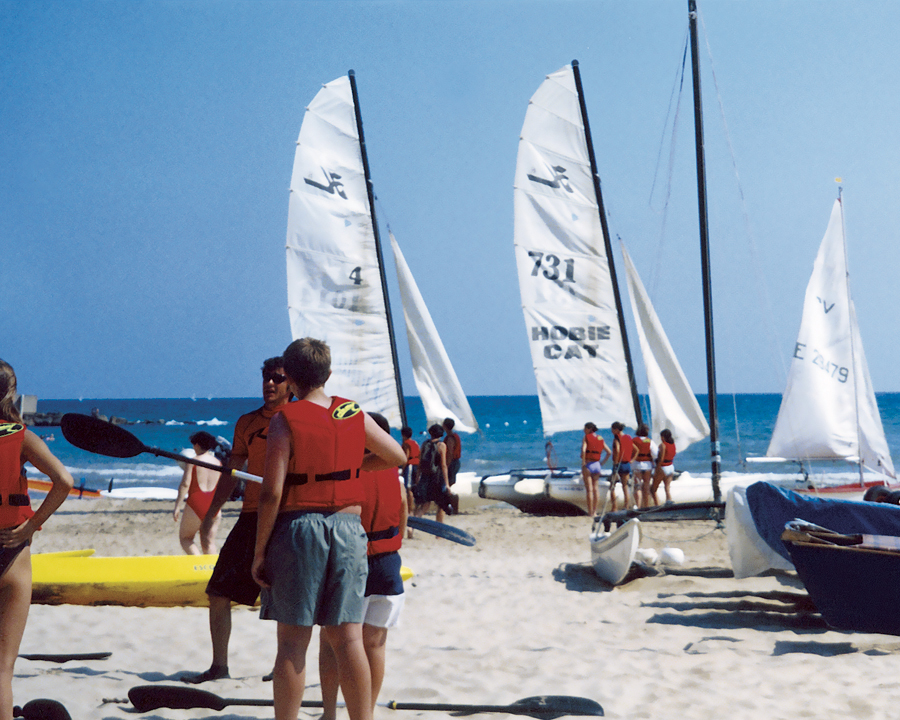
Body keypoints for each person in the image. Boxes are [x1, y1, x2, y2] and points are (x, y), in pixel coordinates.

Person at [250, 338, 406, 720]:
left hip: (300, 528)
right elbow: (396, 455)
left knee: (292, 642)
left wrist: (259, 552)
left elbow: (271, 493)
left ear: (288, 378)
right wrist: (353, 466)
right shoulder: (351, 412)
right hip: (350, 529)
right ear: (328, 374)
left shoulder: (285, 419)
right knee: (348, 637)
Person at [180, 357, 293, 685]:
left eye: (277, 378)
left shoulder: (299, 419)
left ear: (291, 384)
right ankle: (219, 666)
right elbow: (232, 472)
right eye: (265, 378)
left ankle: (281, 667)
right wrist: (212, 510)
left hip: (286, 517)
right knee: (217, 590)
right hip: (250, 516)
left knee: (283, 598)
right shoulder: (247, 423)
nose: (269, 384)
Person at [318, 412, 407, 720]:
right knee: (374, 646)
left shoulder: (351, 471)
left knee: (331, 644)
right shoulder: (393, 473)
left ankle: (329, 714)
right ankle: (366, 712)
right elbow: (405, 504)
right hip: (389, 562)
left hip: (354, 560)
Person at [0, 359, 74, 719]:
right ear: (11, 393)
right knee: (1, 669)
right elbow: (64, 481)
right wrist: (32, 526)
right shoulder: (22, 436)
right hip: (12, 552)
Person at [173, 431, 222, 555]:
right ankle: (211, 571)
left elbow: (185, 484)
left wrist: (177, 506)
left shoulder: (194, 461)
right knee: (209, 542)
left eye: (194, 444)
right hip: (214, 504)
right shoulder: (218, 463)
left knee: (186, 539)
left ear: (198, 445)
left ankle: (198, 566)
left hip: (197, 502)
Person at [414, 424, 457, 522]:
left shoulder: (425, 444)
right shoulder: (441, 445)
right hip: (436, 478)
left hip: (425, 477)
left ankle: (413, 524)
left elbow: (420, 463)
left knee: (425, 504)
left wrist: (417, 477)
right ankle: (439, 532)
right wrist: (446, 484)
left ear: (431, 433)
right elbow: (443, 465)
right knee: (441, 505)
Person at [580, 422, 610, 517]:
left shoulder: (586, 437)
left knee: (589, 490)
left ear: (589, 429)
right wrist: (602, 463)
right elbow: (609, 452)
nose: (583, 430)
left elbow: (584, 450)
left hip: (588, 464)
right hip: (597, 465)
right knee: (595, 489)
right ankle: (595, 511)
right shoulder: (600, 438)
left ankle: (590, 512)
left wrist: (583, 463)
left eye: (585, 428)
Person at [609, 422, 634, 512]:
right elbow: (635, 449)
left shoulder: (616, 439)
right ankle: (626, 506)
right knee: (625, 486)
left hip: (619, 464)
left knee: (612, 487)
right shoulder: (628, 437)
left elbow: (618, 450)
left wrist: (615, 464)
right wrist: (632, 459)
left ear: (616, 430)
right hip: (627, 464)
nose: (611, 431)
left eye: (612, 429)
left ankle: (614, 507)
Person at [400, 427, 419, 538]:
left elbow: (405, 456)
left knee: (408, 487)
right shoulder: (415, 442)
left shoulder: (406, 443)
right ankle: (412, 504)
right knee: (411, 486)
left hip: (410, 464)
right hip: (416, 464)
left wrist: (402, 470)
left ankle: (410, 506)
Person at [650, 428, 677, 506]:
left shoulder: (663, 445)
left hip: (663, 467)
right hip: (671, 466)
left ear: (663, 437)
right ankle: (669, 502)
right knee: (667, 488)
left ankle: (657, 505)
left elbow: (661, 459)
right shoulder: (673, 444)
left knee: (653, 489)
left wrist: (657, 470)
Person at [632, 424, 655, 509]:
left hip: (636, 465)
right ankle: (646, 506)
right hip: (647, 466)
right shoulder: (650, 441)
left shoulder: (633, 441)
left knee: (637, 486)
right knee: (646, 486)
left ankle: (638, 506)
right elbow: (655, 454)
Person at [442, 418, 461, 487]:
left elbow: (450, 453)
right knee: (450, 481)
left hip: (452, 463)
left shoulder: (450, 438)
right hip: (456, 462)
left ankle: (448, 495)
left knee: (448, 481)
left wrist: (446, 465)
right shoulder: (454, 436)